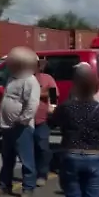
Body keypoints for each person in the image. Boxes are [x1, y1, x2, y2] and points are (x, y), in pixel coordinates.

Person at [0, 47, 41, 197]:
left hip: (21, 127)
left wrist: (23, 119)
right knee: (7, 158)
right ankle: (4, 185)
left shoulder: (30, 81)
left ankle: (28, 187)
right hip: (7, 125)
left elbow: (32, 104)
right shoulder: (13, 78)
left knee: (26, 159)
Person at [33, 57, 58, 185]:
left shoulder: (47, 78)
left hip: (42, 120)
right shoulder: (22, 78)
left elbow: (53, 96)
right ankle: (31, 173)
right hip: (25, 121)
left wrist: (52, 109)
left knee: (42, 147)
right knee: (29, 149)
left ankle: (42, 174)